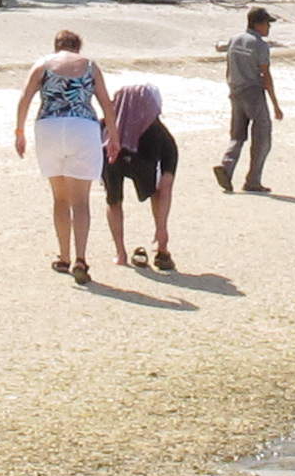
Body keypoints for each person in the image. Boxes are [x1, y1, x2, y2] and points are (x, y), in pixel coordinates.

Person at [12, 30, 115, 285]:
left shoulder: (43, 64)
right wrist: (114, 137)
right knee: (81, 201)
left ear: (56, 46)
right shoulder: (90, 66)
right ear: (78, 47)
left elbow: (24, 98)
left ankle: (64, 257)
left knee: (60, 198)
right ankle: (81, 258)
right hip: (83, 127)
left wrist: (20, 131)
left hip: (49, 127)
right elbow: (106, 103)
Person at [100, 81, 179, 272]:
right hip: (135, 156)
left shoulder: (106, 132)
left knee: (113, 199)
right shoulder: (158, 132)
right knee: (156, 190)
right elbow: (165, 185)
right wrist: (162, 228)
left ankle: (121, 254)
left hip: (115, 154)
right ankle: (161, 248)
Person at [213, 7, 283, 194]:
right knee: (262, 138)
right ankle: (253, 180)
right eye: (267, 23)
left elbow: (228, 66)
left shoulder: (234, 40)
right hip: (253, 92)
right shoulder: (260, 45)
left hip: (235, 91)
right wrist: (275, 104)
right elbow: (265, 74)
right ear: (257, 24)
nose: (268, 27)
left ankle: (226, 168)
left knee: (237, 136)